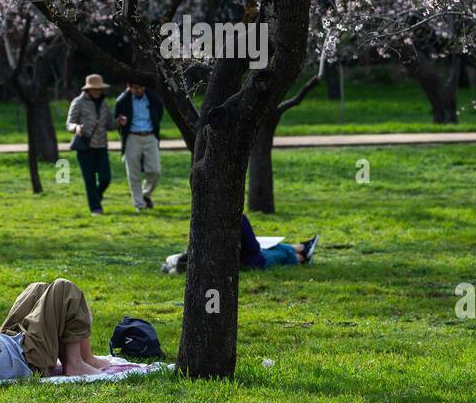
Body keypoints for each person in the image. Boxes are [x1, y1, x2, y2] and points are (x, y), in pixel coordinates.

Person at [168, 215, 318, 273]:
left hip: (243, 257)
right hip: (250, 261)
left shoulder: (203, 217)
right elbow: (253, 248)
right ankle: (304, 256)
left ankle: (304, 248)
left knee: (276, 247)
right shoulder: (239, 218)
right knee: (281, 253)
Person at [66, 74, 113, 215]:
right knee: (90, 180)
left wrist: (119, 122)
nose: (98, 91)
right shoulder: (78, 102)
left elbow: (109, 125)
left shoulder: (104, 103)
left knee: (106, 178)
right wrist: (76, 128)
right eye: (95, 89)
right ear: (88, 89)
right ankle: (95, 208)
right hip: (85, 147)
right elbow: (69, 123)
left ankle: (95, 197)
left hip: (101, 146)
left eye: (100, 89)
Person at [114, 79, 163, 211]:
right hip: (132, 138)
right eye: (135, 88)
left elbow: (159, 113)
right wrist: (120, 122)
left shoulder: (152, 97)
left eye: (141, 87)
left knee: (155, 171)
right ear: (129, 87)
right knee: (133, 173)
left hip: (151, 136)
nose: (139, 90)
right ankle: (139, 204)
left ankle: (145, 194)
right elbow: (116, 120)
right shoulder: (122, 101)